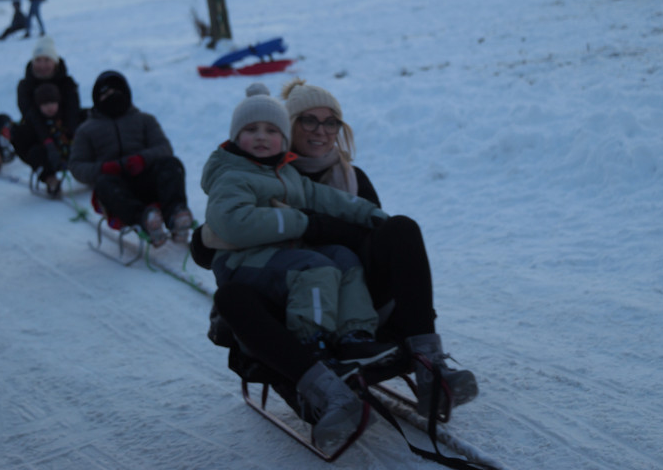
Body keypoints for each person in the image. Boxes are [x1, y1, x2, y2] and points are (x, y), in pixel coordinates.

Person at [193, 78, 477, 422]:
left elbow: (352, 216)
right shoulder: (255, 169)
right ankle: (312, 376)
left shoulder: (347, 178)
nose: (321, 131)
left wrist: (355, 221)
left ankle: (425, 361)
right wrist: (213, 235)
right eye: (308, 121)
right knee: (237, 296)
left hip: (344, 286)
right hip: (280, 290)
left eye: (331, 122)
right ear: (292, 126)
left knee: (394, 231)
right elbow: (218, 236)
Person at [200, 83, 399, 448]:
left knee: (343, 258)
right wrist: (298, 222)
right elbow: (233, 224)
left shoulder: (287, 173)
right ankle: (315, 346)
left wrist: (370, 214)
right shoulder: (231, 175)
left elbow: (327, 198)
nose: (262, 137)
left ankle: (356, 335)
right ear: (235, 137)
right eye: (251, 130)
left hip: (280, 259)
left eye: (272, 131)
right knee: (315, 267)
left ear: (283, 138)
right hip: (244, 265)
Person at [67, 71, 191, 246]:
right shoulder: (86, 130)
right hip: (117, 187)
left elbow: (164, 148)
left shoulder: (144, 120)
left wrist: (142, 159)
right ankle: (145, 219)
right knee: (103, 184)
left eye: (115, 93)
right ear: (97, 98)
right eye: (105, 94)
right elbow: (76, 166)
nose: (111, 98)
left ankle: (175, 215)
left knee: (171, 164)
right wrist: (103, 168)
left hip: (146, 179)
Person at [11, 37, 84, 195]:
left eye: (47, 60)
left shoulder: (67, 83)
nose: (42, 65)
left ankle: (90, 167)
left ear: (55, 62)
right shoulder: (25, 86)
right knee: (18, 132)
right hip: (39, 133)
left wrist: (72, 136)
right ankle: (48, 177)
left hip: (65, 129)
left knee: (89, 118)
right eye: (38, 60)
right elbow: (30, 116)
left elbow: (73, 110)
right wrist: (48, 141)